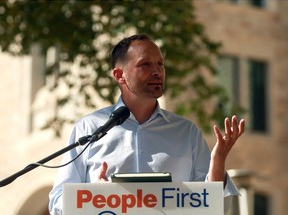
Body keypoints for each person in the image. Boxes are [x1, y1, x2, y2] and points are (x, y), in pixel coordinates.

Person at [49, 34, 245, 214]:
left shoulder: (187, 133)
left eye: (160, 64)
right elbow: (57, 203)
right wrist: (97, 197)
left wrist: (218, 161)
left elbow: (212, 205)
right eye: (145, 65)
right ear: (119, 75)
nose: (157, 71)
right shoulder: (89, 128)